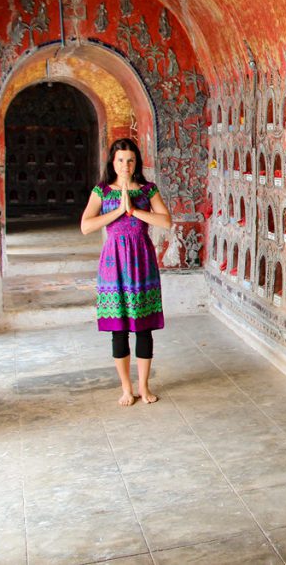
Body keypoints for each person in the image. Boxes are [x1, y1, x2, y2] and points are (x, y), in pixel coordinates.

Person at [81, 138, 171, 406]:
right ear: (113, 161)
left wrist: (134, 211)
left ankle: (144, 386)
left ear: (137, 163)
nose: (125, 165)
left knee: (144, 328)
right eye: (120, 159)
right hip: (113, 265)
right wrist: (119, 211)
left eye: (130, 160)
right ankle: (126, 388)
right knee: (118, 329)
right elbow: (86, 226)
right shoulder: (102, 191)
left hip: (141, 261)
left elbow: (165, 221)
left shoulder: (147, 190)